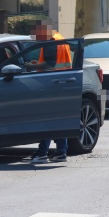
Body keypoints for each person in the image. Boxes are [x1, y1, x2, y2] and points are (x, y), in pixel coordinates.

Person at [25, 23, 72, 164]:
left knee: (47, 120)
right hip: (63, 84)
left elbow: (50, 65)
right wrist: (38, 63)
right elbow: (54, 62)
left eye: (36, 34)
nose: (35, 38)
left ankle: (42, 153)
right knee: (58, 120)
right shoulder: (59, 38)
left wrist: (31, 66)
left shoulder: (50, 42)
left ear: (42, 32)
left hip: (51, 85)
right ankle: (61, 152)